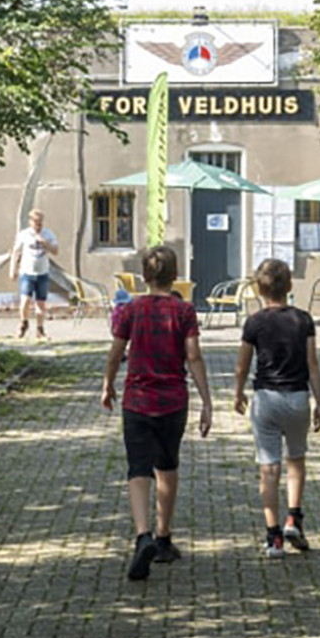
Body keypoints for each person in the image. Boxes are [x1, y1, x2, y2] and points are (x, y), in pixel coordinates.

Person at [102, 246, 212, 580]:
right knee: (167, 465)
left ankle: (142, 534)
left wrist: (107, 383)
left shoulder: (130, 310)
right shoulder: (184, 311)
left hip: (136, 400)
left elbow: (116, 350)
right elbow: (193, 356)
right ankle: (164, 538)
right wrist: (207, 400)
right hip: (173, 401)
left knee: (138, 468)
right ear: (174, 275)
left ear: (145, 276)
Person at [234, 258, 320, 558]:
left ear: (259, 289)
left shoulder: (255, 322)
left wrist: (238, 393)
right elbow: (313, 364)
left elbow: (242, 365)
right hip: (298, 397)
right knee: (296, 461)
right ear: (289, 286)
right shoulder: (303, 320)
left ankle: (273, 537)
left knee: (268, 468)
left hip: (267, 400)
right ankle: (293, 518)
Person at [9, 209, 58, 339]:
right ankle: (23, 323)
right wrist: (12, 269)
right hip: (27, 272)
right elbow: (16, 252)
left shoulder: (48, 234)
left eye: (40, 221)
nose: (39, 224)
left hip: (42, 273)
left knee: (41, 304)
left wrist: (45, 243)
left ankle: (40, 330)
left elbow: (55, 251)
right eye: (36, 221)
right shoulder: (24, 235)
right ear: (30, 221)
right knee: (25, 301)